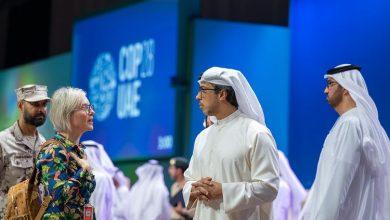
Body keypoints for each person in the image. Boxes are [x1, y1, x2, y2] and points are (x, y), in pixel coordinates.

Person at [183, 67, 280, 220]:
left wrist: (224, 191)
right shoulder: (202, 137)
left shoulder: (255, 133)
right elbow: (190, 178)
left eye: (203, 90)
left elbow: (269, 187)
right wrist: (193, 189)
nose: (197, 97)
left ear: (222, 94)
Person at [300, 64, 390, 219]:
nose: (325, 90)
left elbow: (336, 185)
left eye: (330, 84)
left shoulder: (350, 124)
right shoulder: (370, 125)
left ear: (347, 87)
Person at [35, 87, 96, 219]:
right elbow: (58, 197)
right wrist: (83, 171)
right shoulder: (53, 150)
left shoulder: (78, 151)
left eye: (91, 107)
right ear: (67, 113)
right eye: (85, 107)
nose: (92, 112)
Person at [0, 84, 50, 218]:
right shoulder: (3, 141)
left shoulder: (44, 144)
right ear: (20, 106)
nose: (41, 109)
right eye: (35, 104)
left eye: (44, 104)